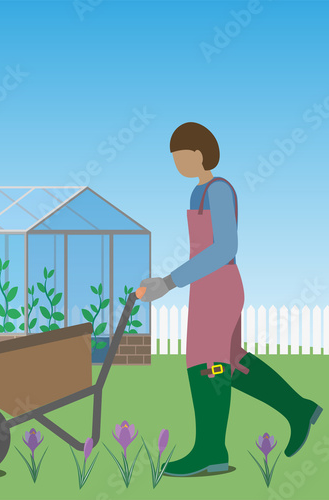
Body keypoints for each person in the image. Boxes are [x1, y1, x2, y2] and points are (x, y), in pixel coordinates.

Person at [139, 122, 322, 477]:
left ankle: (210, 451)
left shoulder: (218, 190)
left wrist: (169, 282)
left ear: (200, 153)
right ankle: (299, 410)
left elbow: (225, 248)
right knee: (232, 361)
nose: (179, 163)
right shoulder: (198, 193)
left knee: (207, 365)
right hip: (205, 287)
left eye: (182, 156)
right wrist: (167, 282)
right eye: (174, 158)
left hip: (219, 286)